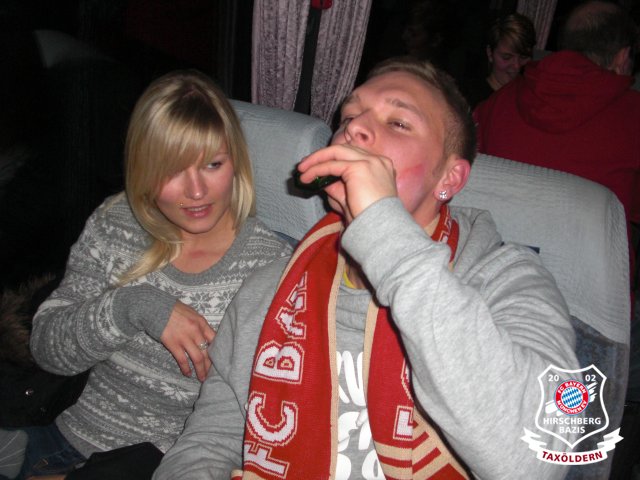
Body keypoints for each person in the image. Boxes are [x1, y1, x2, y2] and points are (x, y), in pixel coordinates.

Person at [154, 57, 578, 479]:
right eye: (349, 116)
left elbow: (540, 457)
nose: (354, 127)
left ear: (449, 178)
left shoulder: (508, 279)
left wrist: (382, 227)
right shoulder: (269, 291)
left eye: (398, 123)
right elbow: (208, 444)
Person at [0, 70, 292, 479]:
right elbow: (48, 349)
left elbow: (260, 415)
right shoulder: (118, 222)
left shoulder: (272, 267)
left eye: (213, 164)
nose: (197, 191)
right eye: (172, 170)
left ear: (236, 162)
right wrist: (132, 306)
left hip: (165, 466)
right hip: (62, 439)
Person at [474, 1, 639, 248]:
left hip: (498, 256)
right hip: (588, 267)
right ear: (623, 56)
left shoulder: (496, 103)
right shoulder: (632, 116)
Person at [459, 13, 536, 108]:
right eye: (507, 57)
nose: (517, 66)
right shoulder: (469, 97)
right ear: (490, 53)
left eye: (523, 57)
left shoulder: (530, 96)